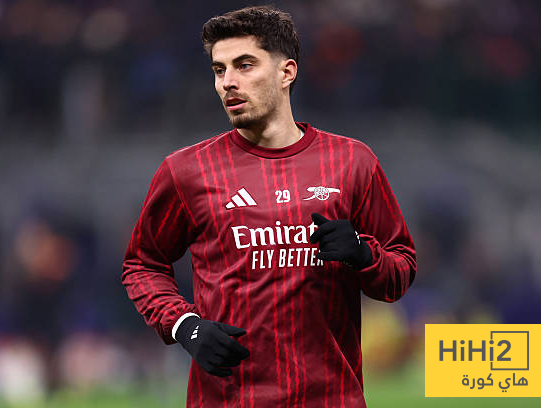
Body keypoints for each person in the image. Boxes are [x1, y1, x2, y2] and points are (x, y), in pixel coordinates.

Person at [122, 5, 416, 407]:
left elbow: (401, 271)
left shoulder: (352, 162)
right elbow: (142, 264)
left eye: (244, 65)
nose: (228, 82)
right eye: (219, 70)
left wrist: (364, 254)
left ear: (286, 72)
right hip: (227, 400)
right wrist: (184, 325)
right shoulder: (186, 171)